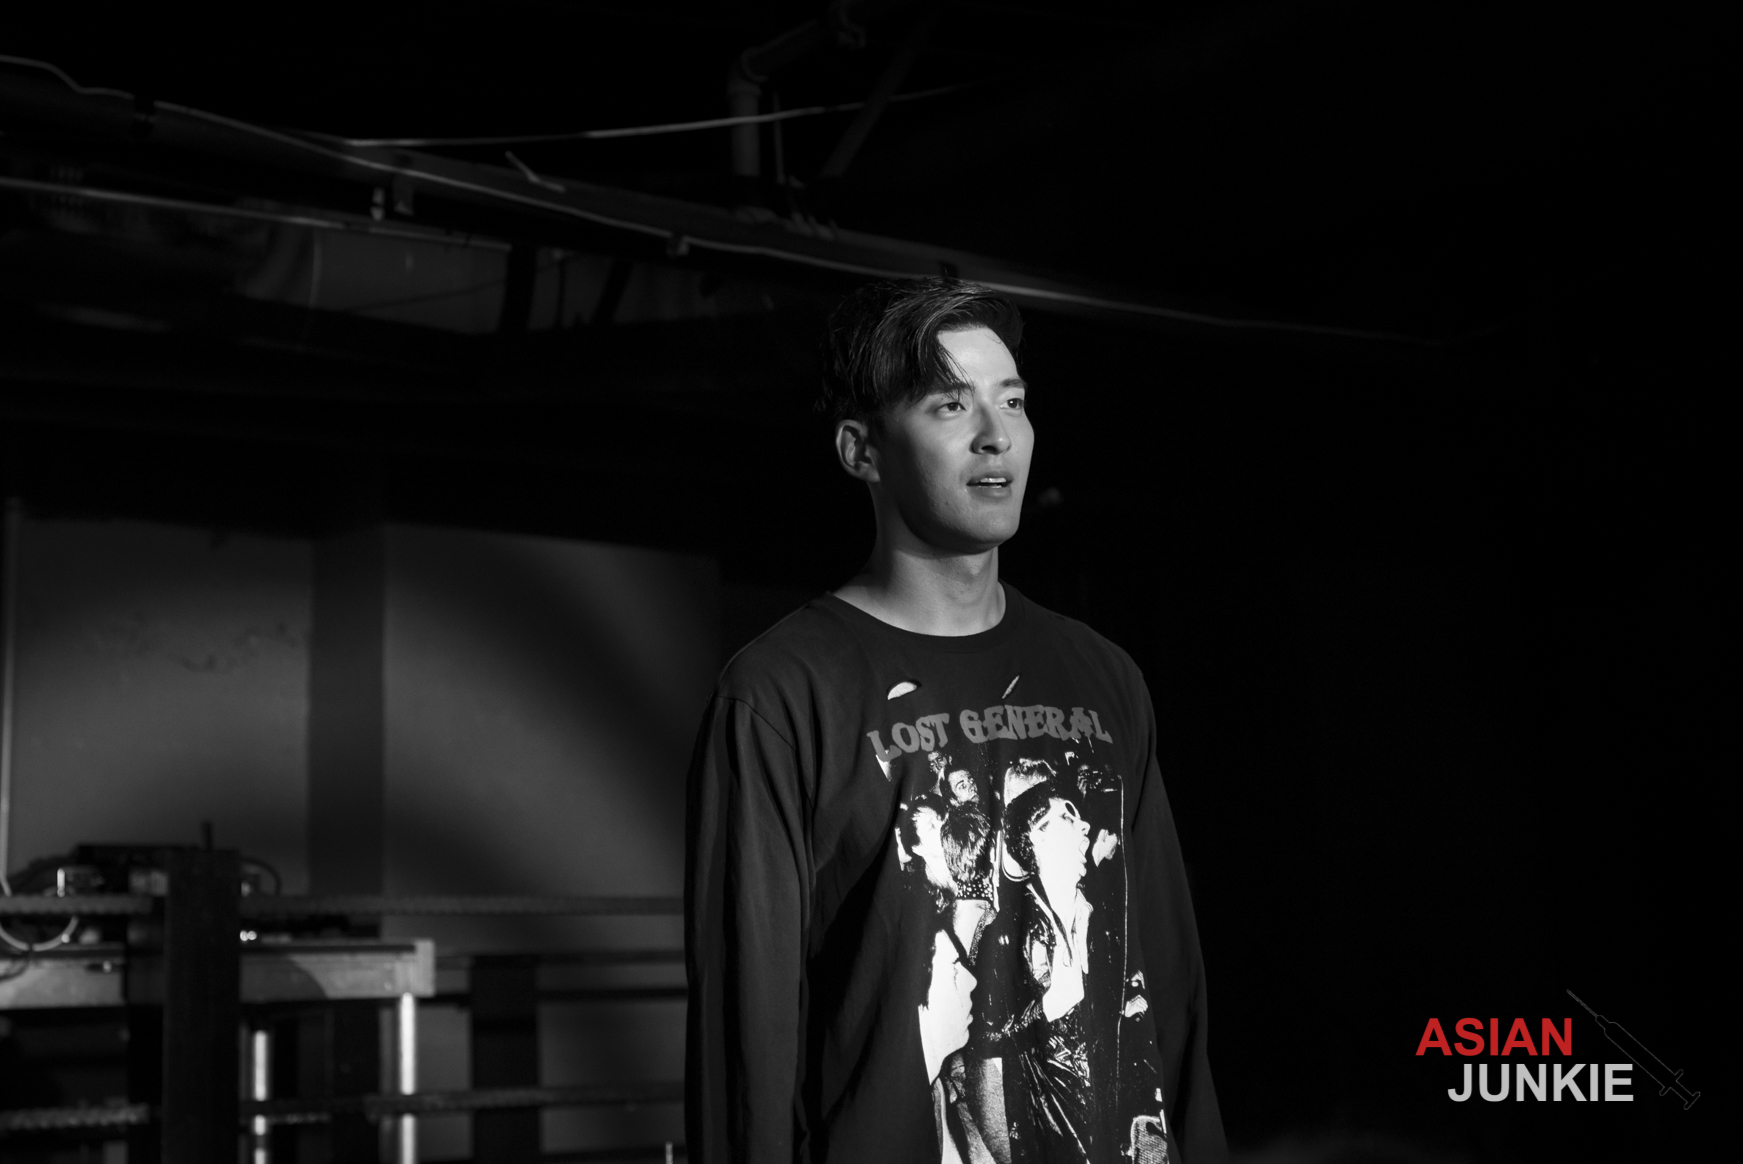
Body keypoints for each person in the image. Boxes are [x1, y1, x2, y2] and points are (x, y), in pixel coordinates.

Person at [686, 278, 1225, 1163]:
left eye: (1011, 401)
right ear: (861, 451)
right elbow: (746, 1032)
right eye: (950, 405)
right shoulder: (782, 693)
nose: (996, 434)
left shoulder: (1102, 675)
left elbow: (1166, 976)